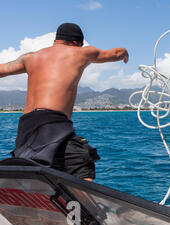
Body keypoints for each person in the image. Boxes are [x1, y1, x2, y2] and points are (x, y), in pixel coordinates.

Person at [0, 23, 129, 181]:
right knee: (82, 161)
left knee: (35, 165)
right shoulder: (81, 53)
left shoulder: (30, 57)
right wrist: (124, 53)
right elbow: (116, 53)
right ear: (76, 43)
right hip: (52, 122)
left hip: (26, 126)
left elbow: (2, 70)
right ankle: (83, 203)